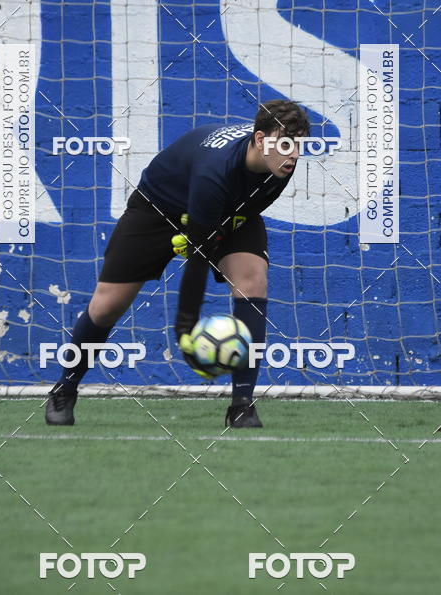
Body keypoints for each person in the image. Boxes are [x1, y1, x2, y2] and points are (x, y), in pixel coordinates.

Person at [45, 98, 309, 428]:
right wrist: (186, 331)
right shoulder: (216, 172)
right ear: (259, 139)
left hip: (225, 211)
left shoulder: (280, 163)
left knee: (252, 279)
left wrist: (214, 233)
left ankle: (242, 405)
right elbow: (196, 264)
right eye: (285, 144)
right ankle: (65, 388)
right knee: (106, 305)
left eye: (298, 145)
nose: (294, 154)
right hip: (158, 207)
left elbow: (247, 208)